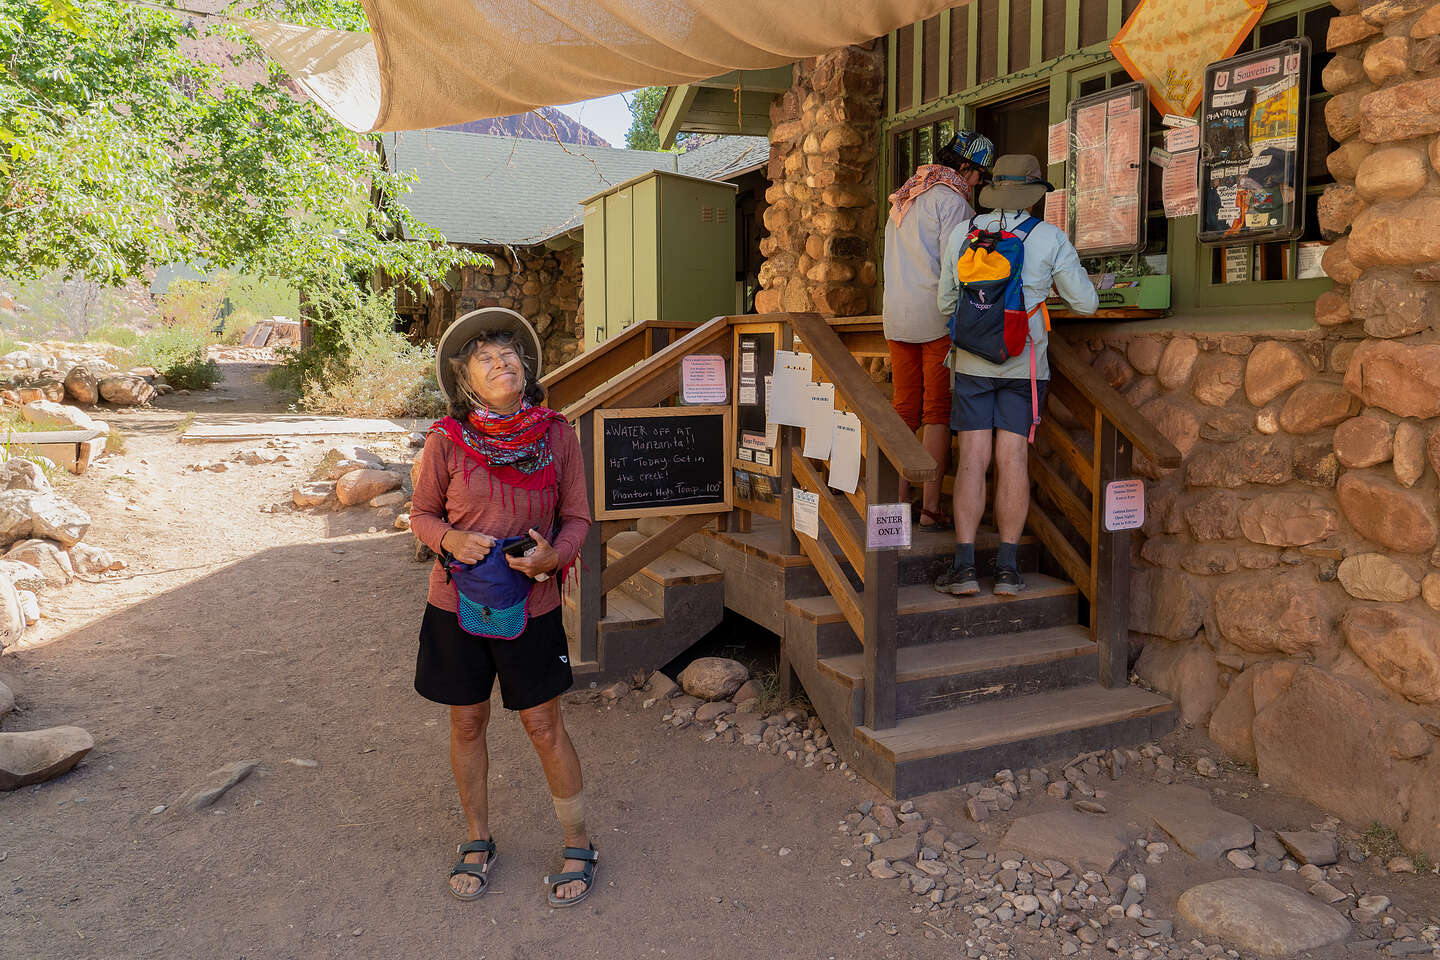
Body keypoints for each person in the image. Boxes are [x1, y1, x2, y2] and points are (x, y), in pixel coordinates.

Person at [409, 307, 599, 905]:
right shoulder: (447, 441)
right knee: (467, 721)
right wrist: (450, 539)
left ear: (526, 368)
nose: (501, 364)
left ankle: (578, 843)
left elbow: (577, 518)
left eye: (509, 355)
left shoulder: (557, 436)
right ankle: (477, 838)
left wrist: (552, 559)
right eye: (486, 359)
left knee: (544, 725)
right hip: (456, 603)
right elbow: (421, 514)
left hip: (533, 606)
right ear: (466, 380)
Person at [934, 155, 1098, 597]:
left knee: (972, 460)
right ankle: (1007, 571)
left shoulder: (963, 234)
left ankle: (965, 569)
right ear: (1032, 193)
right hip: (1024, 366)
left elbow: (946, 304)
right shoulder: (1049, 237)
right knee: (1013, 460)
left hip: (969, 363)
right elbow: (1086, 304)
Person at [882, 130, 996, 531]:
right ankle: (930, 508)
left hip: (896, 317)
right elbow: (960, 270)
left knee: (903, 410)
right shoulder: (953, 203)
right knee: (936, 412)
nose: (979, 183)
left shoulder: (903, 198)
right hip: (936, 319)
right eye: (980, 174)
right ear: (965, 167)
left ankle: (895, 505)